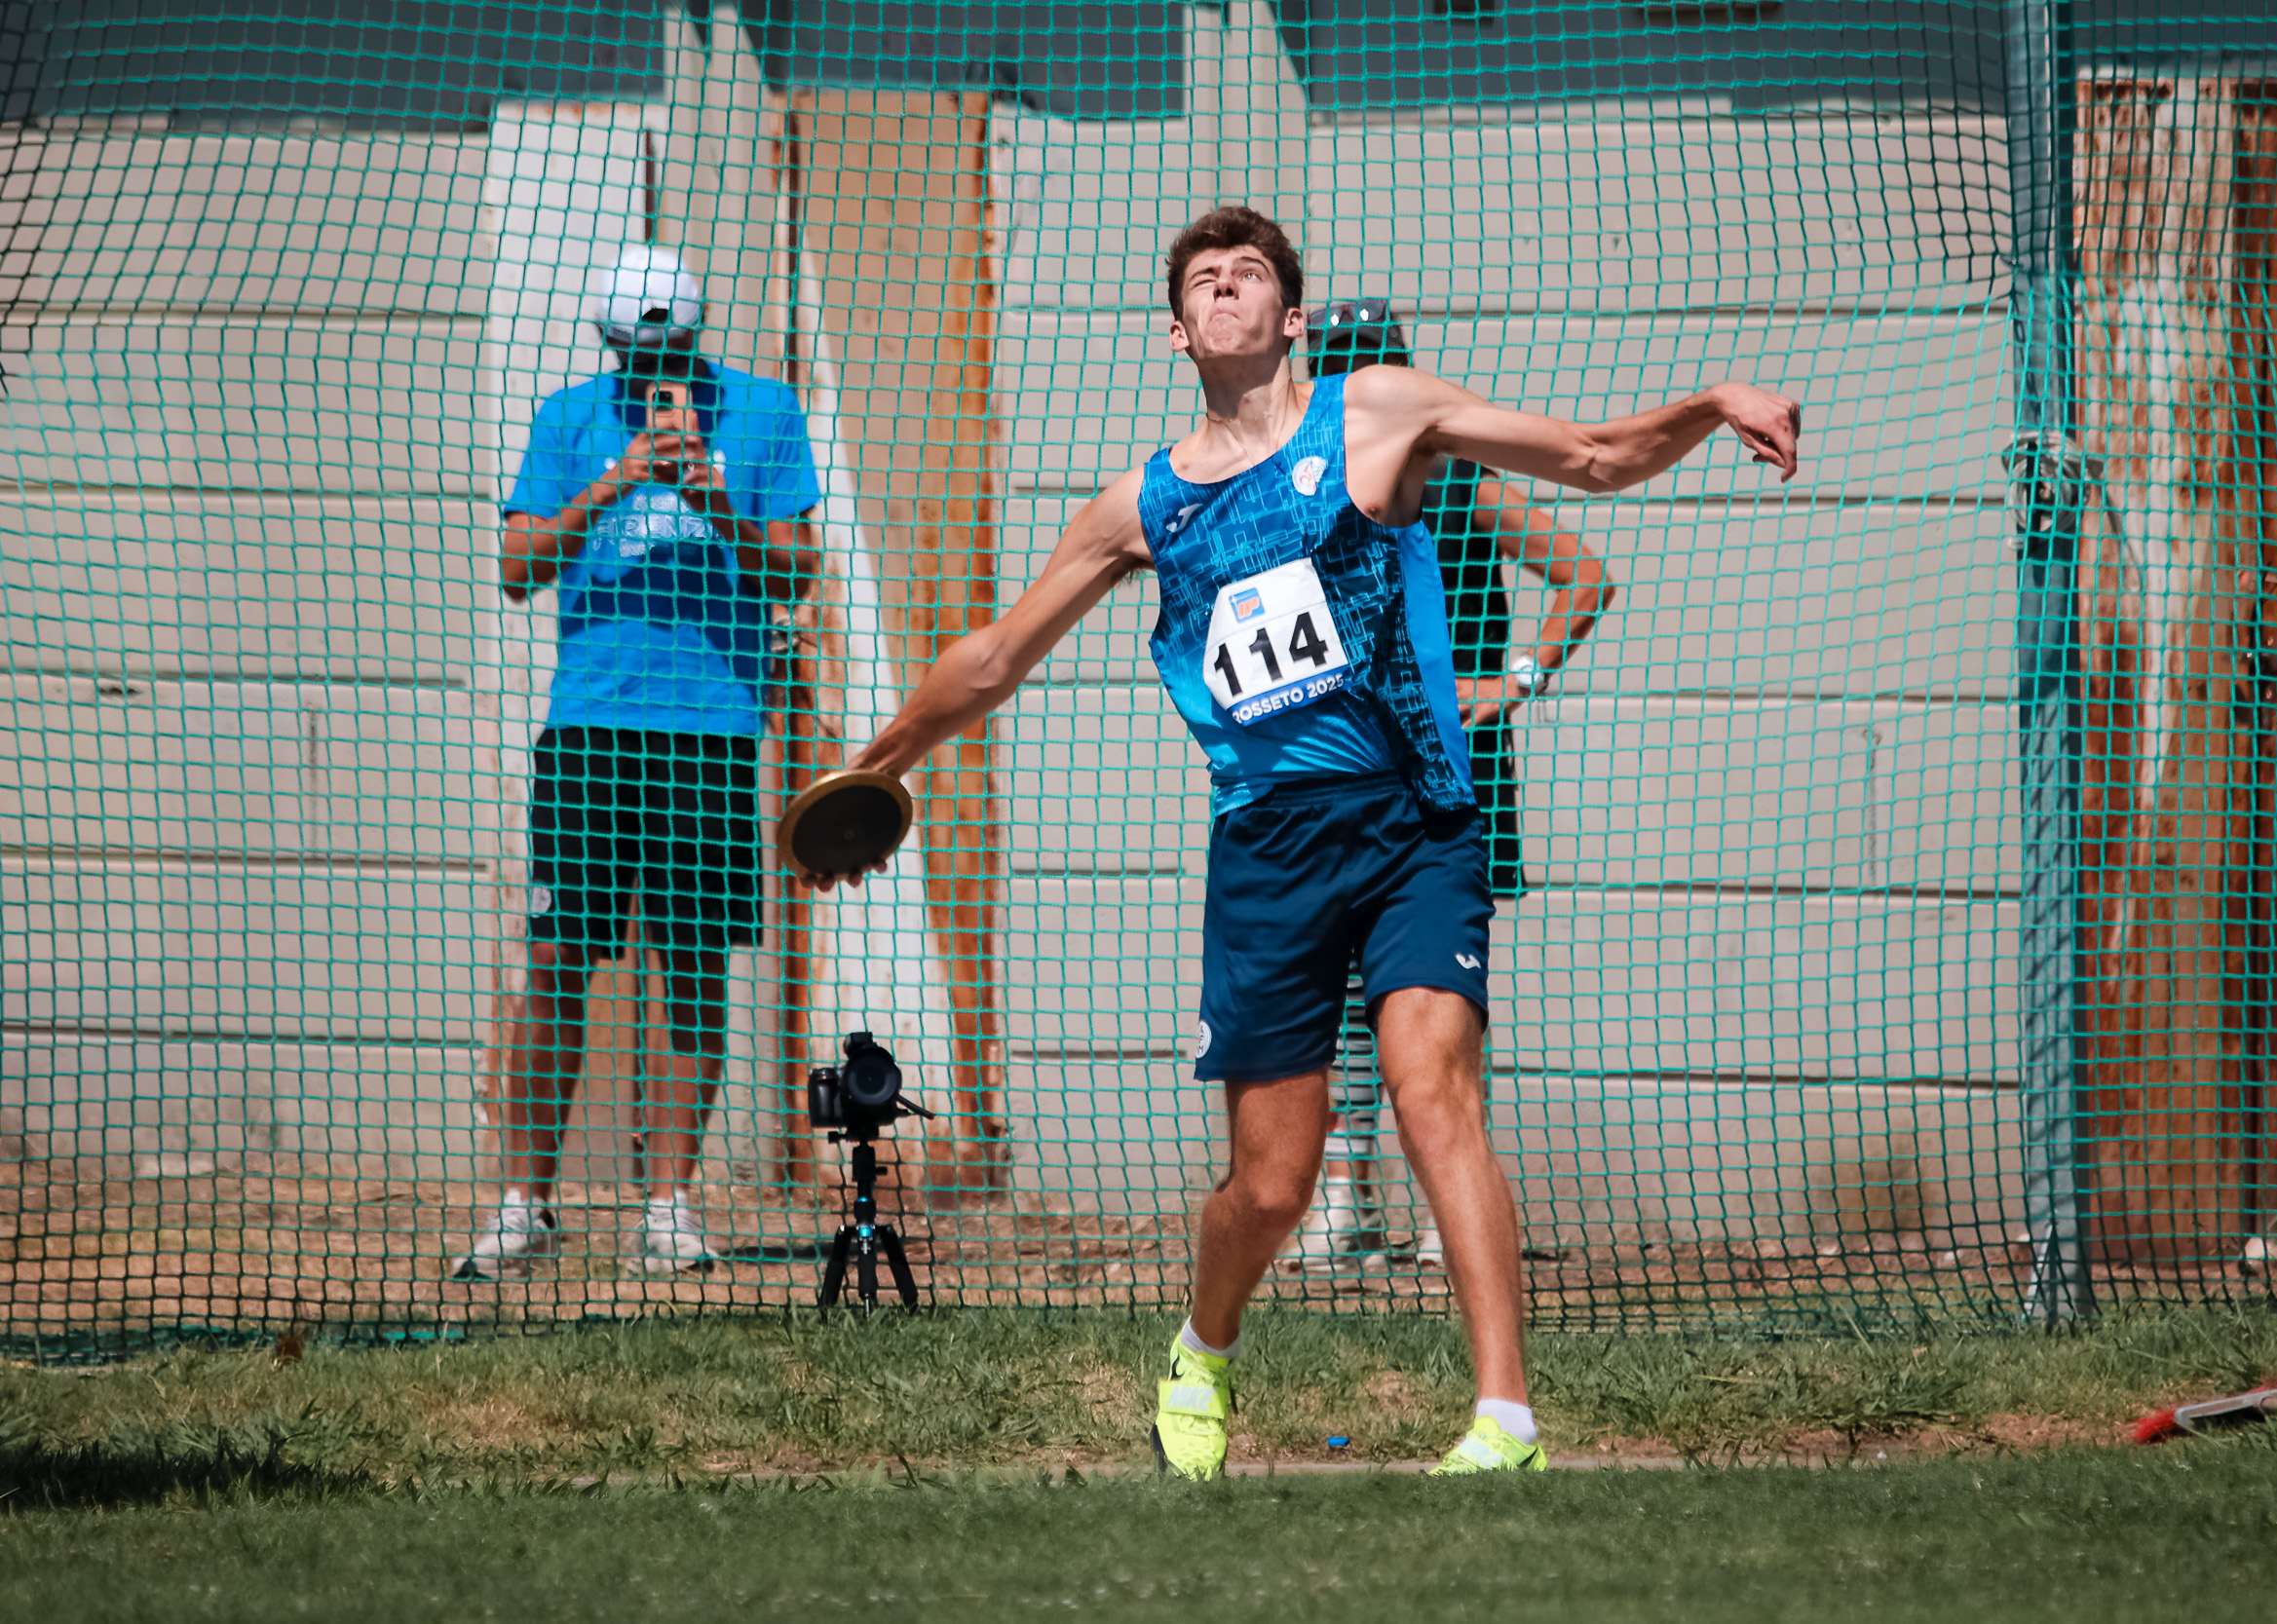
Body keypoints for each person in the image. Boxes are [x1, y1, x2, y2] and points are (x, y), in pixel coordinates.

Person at [804, 208, 1799, 1474]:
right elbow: (997, 655)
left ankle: (1506, 1417)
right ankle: (1202, 1347)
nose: (1226, 291)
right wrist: (877, 767)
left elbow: (1594, 457)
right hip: (1269, 849)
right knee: (1273, 1184)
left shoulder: (1374, 411)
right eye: (1203, 282)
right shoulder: (1143, 506)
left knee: (1433, 1095)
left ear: (1292, 316)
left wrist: (1711, 402)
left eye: (1250, 275)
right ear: (1178, 331)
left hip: (1417, 821)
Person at [453, 245, 822, 1280]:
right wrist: (618, 479)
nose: (654, 375)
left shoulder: (762, 410)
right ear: (607, 343)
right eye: (634, 355)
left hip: (710, 728)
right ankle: (524, 1204)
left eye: (670, 353)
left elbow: (798, 568)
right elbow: (517, 568)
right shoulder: (570, 418)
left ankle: (667, 1207)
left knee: (692, 965)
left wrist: (712, 498)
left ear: (697, 338)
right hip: (591, 727)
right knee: (559, 960)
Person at [1284, 297, 1618, 1273]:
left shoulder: (1459, 478)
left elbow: (1584, 575)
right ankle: (1346, 1198)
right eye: (1337, 372)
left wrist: (1513, 680)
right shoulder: (1299, 484)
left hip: (1445, 768)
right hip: (1338, 761)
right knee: (1337, 980)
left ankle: (1447, 1205)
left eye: (1367, 368)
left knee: (1438, 981)